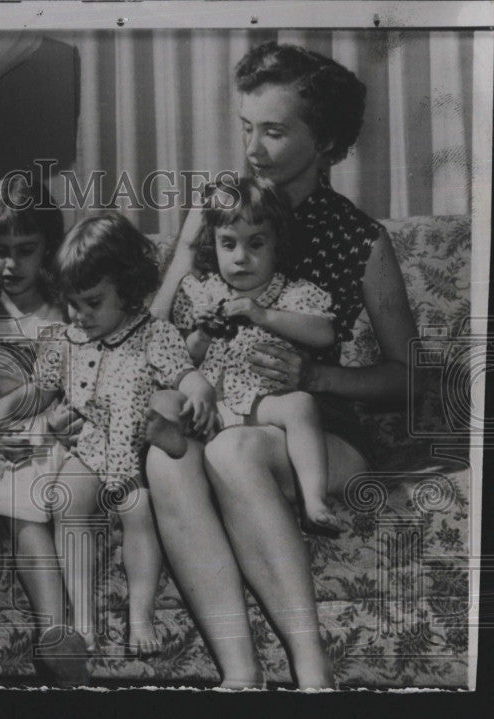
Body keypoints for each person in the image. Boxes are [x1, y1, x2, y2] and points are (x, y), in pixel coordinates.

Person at [144, 42, 417, 689]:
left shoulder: (359, 238)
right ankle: (241, 676)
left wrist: (316, 377)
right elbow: (152, 336)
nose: (254, 147)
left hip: (321, 432)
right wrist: (187, 247)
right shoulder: (220, 214)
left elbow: (407, 374)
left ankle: (312, 672)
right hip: (225, 408)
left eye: (273, 130)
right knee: (166, 457)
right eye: (246, 128)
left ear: (325, 142)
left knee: (236, 452)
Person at [0, 213, 213, 661]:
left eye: (92, 302)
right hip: (91, 445)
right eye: (72, 303)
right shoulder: (67, 339)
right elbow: (38, 391)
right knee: (63, 500)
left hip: (139, 446)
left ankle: (140, 617)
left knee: (137, 511)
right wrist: (5, 416)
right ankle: (82, 619)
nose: (80, 315)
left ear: (127, 289)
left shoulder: (154, 333)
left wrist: (200, 391)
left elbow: (185, 374)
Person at [0, 175, 86, 688]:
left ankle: (55, 637)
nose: (9, 265)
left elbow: (60, 387)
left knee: (28, 511)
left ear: (48, 247)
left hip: (52, 437)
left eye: (24, 250)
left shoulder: (66, 309)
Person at [169, 176, 341, 536]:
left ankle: (314, 500)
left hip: (266, 405)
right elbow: (181, 360)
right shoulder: (202, 292)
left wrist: (262, 314)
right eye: (228, 244)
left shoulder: (292, 292)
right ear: (212, 244)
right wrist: (201, 334)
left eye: (256, 244)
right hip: (217, 407)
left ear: (277, 244)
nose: (241, 258)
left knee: (302, 405)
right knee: (170, 414)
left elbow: (324, 333)